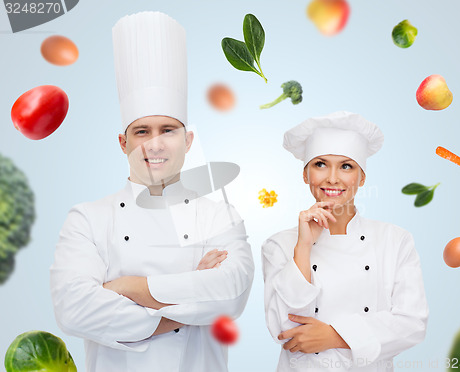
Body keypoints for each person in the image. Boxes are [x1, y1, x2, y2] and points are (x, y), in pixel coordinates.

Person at [50, 11, 254, 372]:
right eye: (142, 131)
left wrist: (126, 286)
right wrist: (188, 301)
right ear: (122, 142)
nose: (154, 145)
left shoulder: (220, 216)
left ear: (188, 140)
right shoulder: (89, 218)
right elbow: (73, 309)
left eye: (168, 130)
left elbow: (231, 295)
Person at [262, 111, 428, 372]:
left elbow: (412, 323)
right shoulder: (280, 245)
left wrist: (335, 336)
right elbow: (285, 330)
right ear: (305, 175)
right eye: (320, 164)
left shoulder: (395, 241)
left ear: (362, 178)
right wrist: (303, 247)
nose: (332, 178)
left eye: (346, 166)